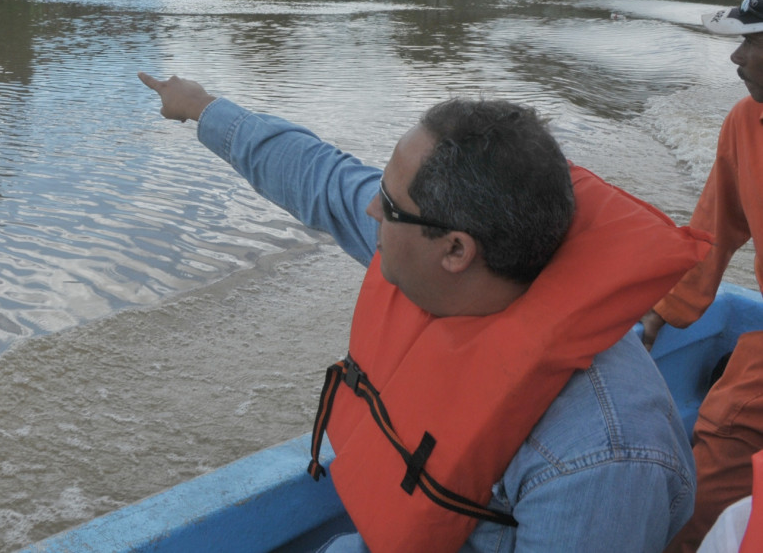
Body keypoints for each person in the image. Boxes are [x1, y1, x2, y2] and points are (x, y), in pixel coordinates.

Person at [139, 71, 709, 553]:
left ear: (456, 250)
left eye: (388, 203)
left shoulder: (602, 457)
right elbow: (319, 176)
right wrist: (202, 108)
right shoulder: (450, 249)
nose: (369, 208)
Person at [641, 0, 763, 553]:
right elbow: (713, 227)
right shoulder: (745, 122)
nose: (737, 57)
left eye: (753, 42)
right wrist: (664, 309)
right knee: (702, 489)